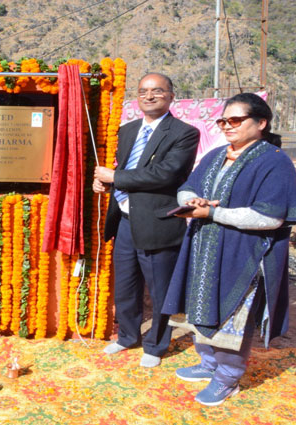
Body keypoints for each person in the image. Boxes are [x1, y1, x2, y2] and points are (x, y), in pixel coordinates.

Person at [162, 93, 296, 406]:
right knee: (202, 306)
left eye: (235, 120)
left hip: (245, 254)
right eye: (222, 120)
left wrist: (211, 213)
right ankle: (208, 363)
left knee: (232, 314)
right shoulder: (216, 155)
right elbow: (187, 188)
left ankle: (227, 379)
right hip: (205, 247)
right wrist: (192, 202)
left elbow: (269, 216)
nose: (226, 126)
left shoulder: (274, 161)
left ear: (261, 123)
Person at [93, 73, 200, 368]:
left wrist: (115, 177)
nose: (149, 96)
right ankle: (128, 336)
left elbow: (165, 174)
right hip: (125, 220)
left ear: (170, 96)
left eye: (157, 91)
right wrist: (105, 184)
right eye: (143, 91)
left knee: (160, 288)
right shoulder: (127, 131)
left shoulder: (184, 133)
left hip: (157, 222)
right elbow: (126, 170)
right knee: (125, 285)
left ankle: (156, 345)